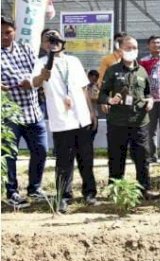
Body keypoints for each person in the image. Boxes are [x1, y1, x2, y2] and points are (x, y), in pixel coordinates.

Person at [32, 29, 97, 213]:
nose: (52, 42)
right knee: (64, 162)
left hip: (81, 118)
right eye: (48, 39)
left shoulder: (74, 61)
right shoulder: (41, 63)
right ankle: (64, 197)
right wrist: (43, 74)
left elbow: (84, 88)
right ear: (43, 44)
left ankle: (90, 193)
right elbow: (36, 82)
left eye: (56, 38)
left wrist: (91, 112)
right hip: (62, 120)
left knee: (86, 159)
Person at [99, 35, 160, 200]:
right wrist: (108, 100)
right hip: (117, 122)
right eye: (128, 48)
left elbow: (148, 93)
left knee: (142, 157)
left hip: (140, 122)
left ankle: (144, 189)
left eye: (134, 48)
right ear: (120, 50)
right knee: (116, 158)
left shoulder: (142, 71)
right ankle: (116, 191)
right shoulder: (112, 70)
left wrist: (150, 101)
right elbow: (102, 94)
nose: (132, 51)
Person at [1, 15, 48, 208]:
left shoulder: (26, 49)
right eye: (1, 33)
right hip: (8, 114)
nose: (4, 36)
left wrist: (34, 81)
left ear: (14, 32)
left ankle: (35, 189)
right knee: (9, 155)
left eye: (8, 32)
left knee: (41, 150)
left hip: (33, 111)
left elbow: (37, 73)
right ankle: (12, 192)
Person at [139, 35, 160, 165]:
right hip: (150, 100)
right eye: (153, 43)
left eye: (158, 43)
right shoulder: (143, 61)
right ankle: (152, 155)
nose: (156, 45)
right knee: (151, 129)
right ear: (148, 45)